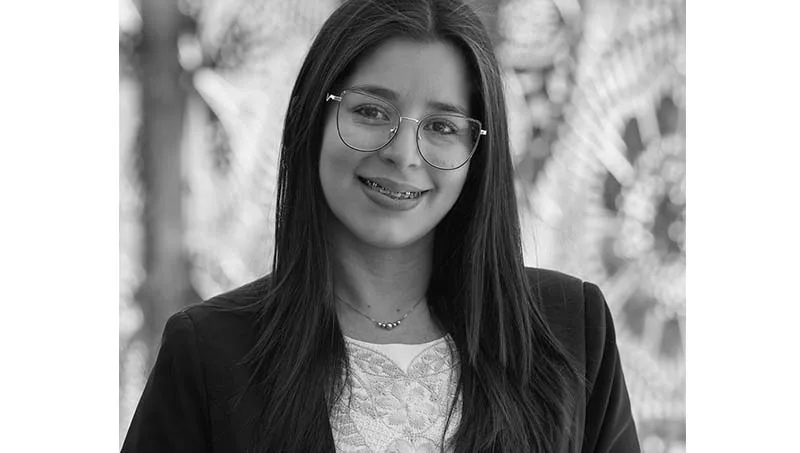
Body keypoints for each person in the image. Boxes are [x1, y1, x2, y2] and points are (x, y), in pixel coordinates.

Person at [122, 0, 640, 451]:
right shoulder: (208, 353)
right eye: (371, 112)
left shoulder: (572, 331)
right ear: (313, 118)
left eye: (442, 126)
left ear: (477, 154)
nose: (402, 153)